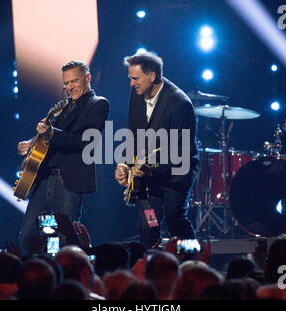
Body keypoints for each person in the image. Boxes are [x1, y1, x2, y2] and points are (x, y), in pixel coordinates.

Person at [18, 61, 110, 253]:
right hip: (44, 179)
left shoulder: (98, 104)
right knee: (29, 234)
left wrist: (52, 134)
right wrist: (30, 143)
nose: (70, 87)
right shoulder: (62, 107)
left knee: (64, 238)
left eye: (74, 81)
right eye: (66, 83)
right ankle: (40, 271)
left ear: (88, 78)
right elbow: (48, 134)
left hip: (68, 181)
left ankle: (61, 275)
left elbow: (85, 141)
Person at [114, 51, 199, 248]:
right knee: (148, 224)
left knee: (174, 218)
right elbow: (133, 133)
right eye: (130, 78)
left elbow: (180, 152)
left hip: (175, 172)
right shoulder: (136, 95)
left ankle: (194, 260)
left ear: (152, 76)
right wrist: (124, 163)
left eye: (135, 78)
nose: (131, 83)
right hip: (147, 172)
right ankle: (150, 269)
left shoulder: (180, 104)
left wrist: (148, 168)